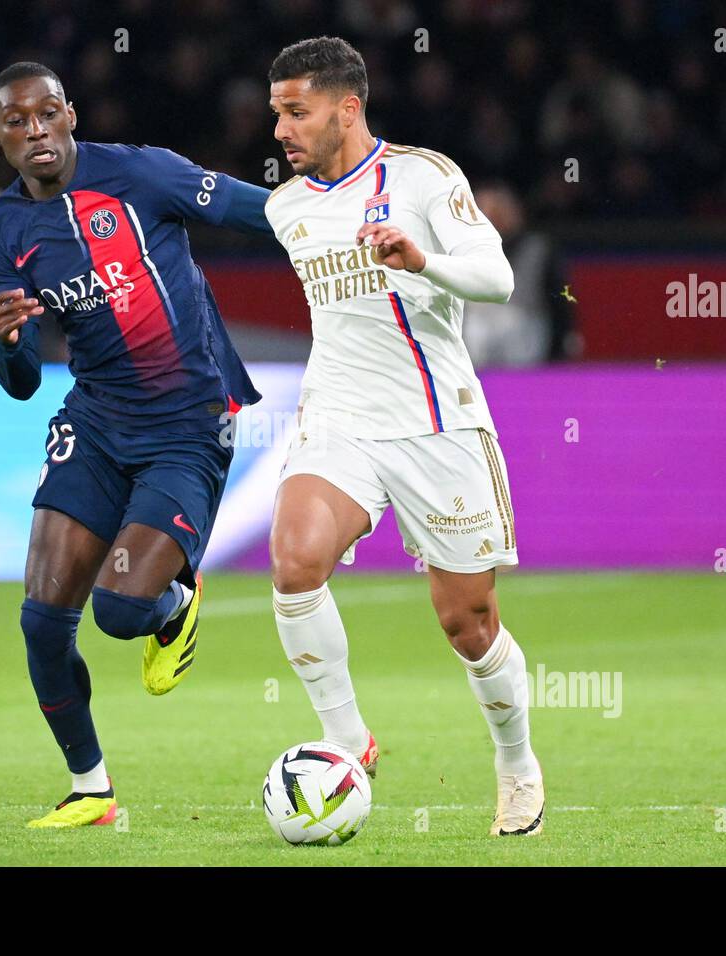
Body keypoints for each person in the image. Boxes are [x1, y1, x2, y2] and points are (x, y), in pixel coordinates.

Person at [264, 37, 544, 837]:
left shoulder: (424, 177)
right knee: (294, 562)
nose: (281, 130)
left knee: (469, 621)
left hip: (436, 421)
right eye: (276, 112)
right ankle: (349, 743)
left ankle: (516, 762)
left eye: (296, 111)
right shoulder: (288, 208)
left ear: (346, 108)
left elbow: (499, 279)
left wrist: (422, 260)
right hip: (338, 415)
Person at [0, 62, 274, 829]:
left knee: (118, 610)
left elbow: (261, 212)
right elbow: (17, 379)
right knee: (42, 622)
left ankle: (174, 603)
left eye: (48, 113)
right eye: (18, 121)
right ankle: (91, 791)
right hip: (99, 422)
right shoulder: (7, 227)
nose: (36, 130)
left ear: (71, 115)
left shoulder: (143, 175)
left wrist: (347, 228)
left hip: (186, 421)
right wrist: (13, 338)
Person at [462, 183, 577, 366]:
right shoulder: (461, 250)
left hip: (525, 323)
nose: (493, 217)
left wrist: (567, 334)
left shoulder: (537, 248)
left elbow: (559, 294)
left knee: (512, 324)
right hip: (476, 326)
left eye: (500, 211)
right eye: (486, 211)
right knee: (475, 328)